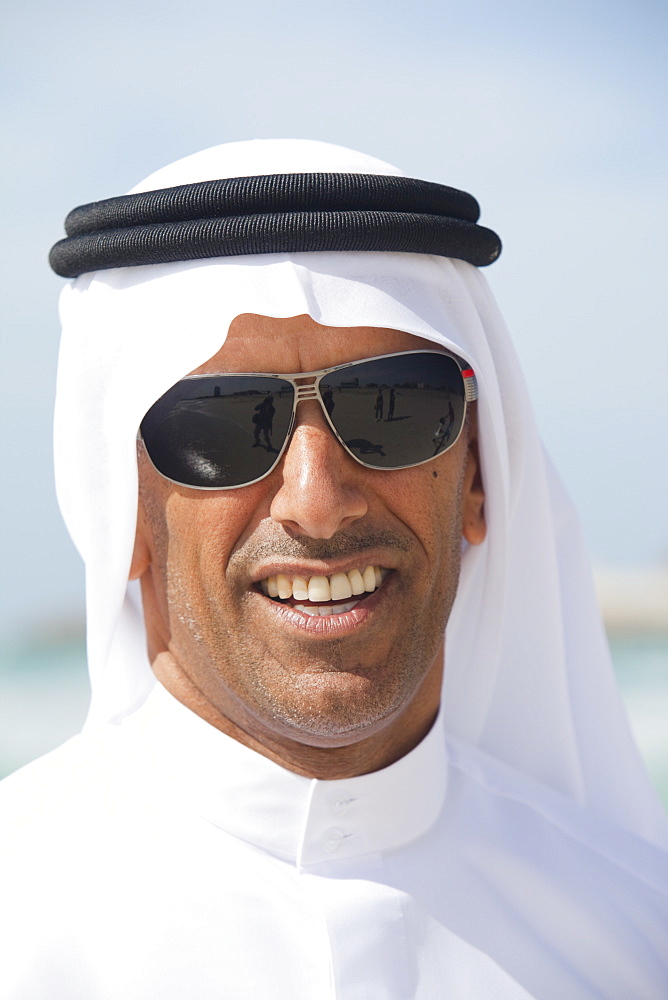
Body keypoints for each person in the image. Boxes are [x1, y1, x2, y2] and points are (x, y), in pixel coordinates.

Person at [1, 139, 666, 999]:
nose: (317, 502)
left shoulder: (635, 938)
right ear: (120, 512)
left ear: (478, 475)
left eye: (392, 407)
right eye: (220, 425)